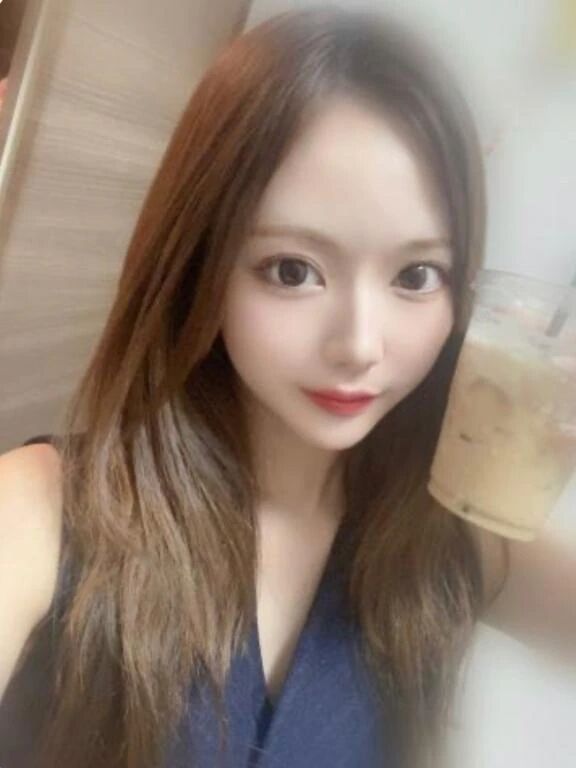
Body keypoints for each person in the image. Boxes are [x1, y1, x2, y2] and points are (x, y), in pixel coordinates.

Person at [0, 7, 574, 768]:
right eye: (293, 270)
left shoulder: (452, 540)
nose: (360, 345)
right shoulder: (40, 514)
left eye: (415, 275)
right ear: (202, 264)